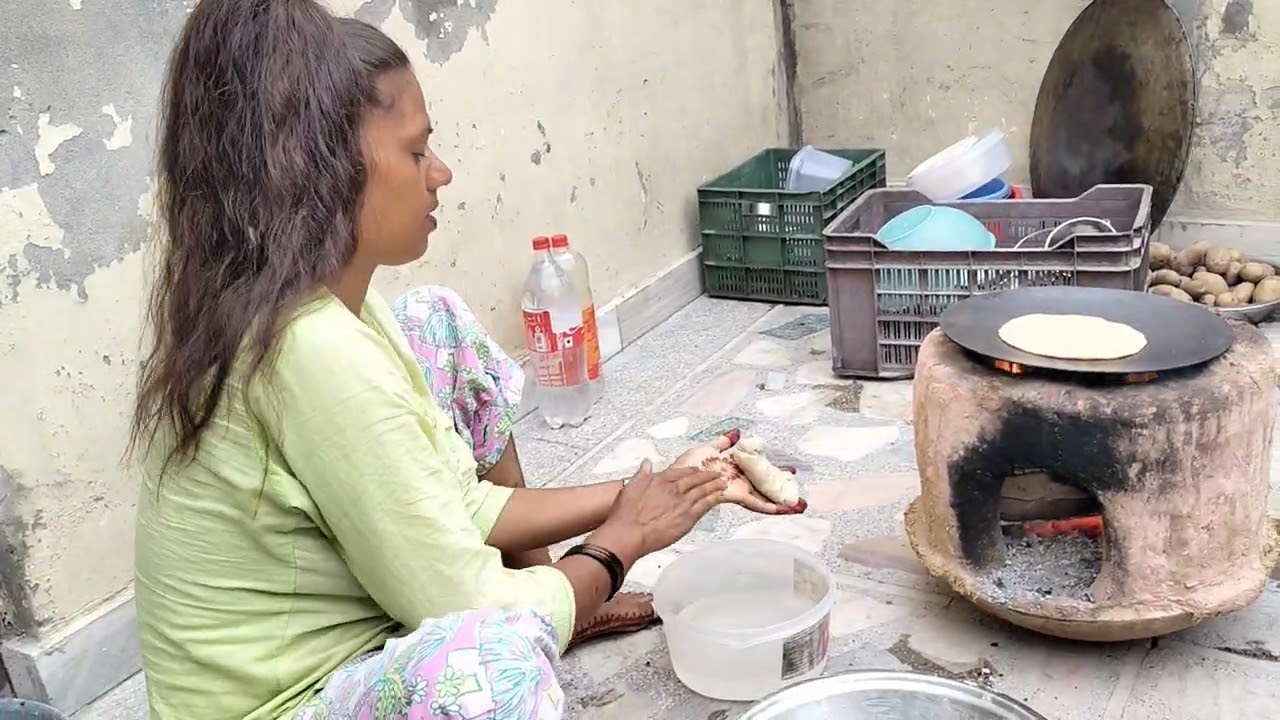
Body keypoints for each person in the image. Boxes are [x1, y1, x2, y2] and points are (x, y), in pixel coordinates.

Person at [128, 3, 794, 719]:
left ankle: (560, 594)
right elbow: (471, 605)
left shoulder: (338, 310)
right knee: (487, 668)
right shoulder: (307, 351)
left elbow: (455, 503)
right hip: (285, 704)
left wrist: (660, 488)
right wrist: (617, 546)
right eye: (416, 153)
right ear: (320, 172)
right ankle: (565, 598)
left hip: (365, 642)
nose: (439, 173)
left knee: (435, 319)